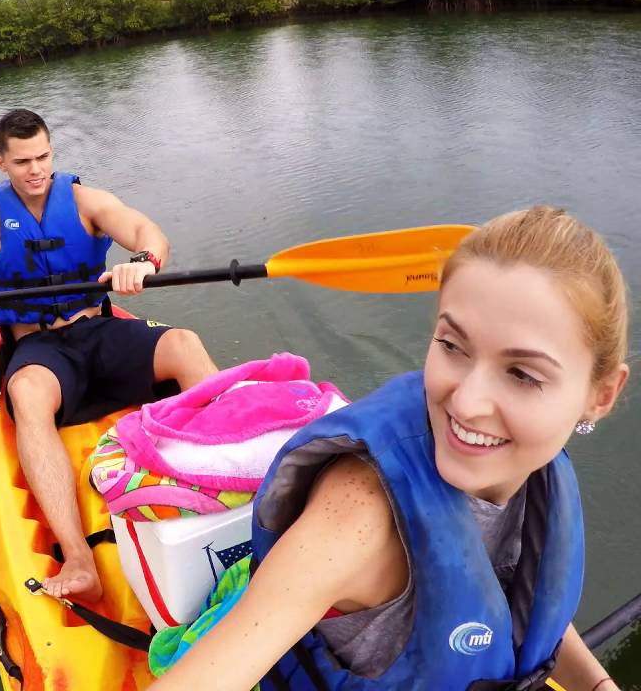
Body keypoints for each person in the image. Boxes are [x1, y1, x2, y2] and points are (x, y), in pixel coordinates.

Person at [152, 205, 630, 690]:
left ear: (600, 395)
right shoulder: (357, 518)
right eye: (452, 346)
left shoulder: (536, 468)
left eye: (523, 375)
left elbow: (522, 596)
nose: (466, 402)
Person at [0, 109, 218, 601]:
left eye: (43, 156)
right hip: (41, 347)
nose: (36, 169)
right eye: (22, 160)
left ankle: (243, 485)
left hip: (98, 331)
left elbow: (146, 231)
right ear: (0, 162)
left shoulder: (86, 200)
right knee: (25, 392)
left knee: (184, 344)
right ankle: (79, 559)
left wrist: (144, 262)